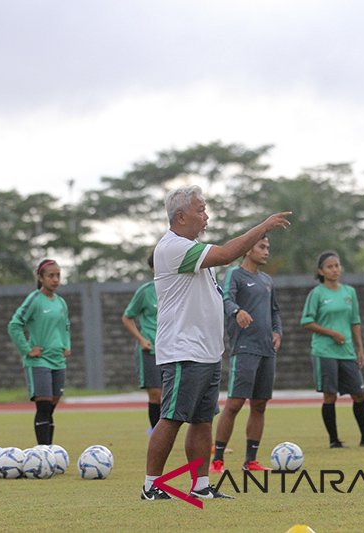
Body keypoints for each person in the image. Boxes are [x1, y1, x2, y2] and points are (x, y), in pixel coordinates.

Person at [141, 185, 291, 501]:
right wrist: (263, 226)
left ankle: (200, 486)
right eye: (201, 209)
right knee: (172, 417)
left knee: (201, 419)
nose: (206, 215)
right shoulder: (172, 247)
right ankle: (151, 485)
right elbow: (226, 253)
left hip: (206, 351)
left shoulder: (191, 248)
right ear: (180, 216)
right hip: (185, 349)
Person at [210, 235, 282, 473]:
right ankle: (218, 460)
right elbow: (225, 298)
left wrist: (277, 331)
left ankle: (250, 461)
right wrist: (237, 310)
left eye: (268, 247)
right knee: (235, 403)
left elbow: (275, 311)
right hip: (245, 349)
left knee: (259, 405)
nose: (266, 251)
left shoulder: (267, 280)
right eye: (262, 247)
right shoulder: (235, 274)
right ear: (248, 250)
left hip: (266, 350)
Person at [300, 251, 364, 449]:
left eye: (337, 265)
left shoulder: (349, 292)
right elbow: (306, 321)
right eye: (330, 267)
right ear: (321, 271)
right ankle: (334, 441)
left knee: (359, 394)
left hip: (346, 351)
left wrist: (360, 349)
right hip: (324, 351)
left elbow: (355, 321)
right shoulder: (317, 294)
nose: (334, 269)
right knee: (330, 395)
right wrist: (331, 333)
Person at [8, 259, 71, 445]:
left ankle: (48, 451)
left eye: (58, 275)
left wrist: (66, 345)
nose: (55, 279)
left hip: (58, 361)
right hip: (39, 362)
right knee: (43, 407)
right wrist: (27, 350)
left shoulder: (61, 302)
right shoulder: (34, 300)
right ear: (40, 277)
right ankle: (43, 452)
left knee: (51, 407)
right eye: (51, 275)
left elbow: (66, 326)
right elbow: (14, 325)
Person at [121, 250, 162, 432]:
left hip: (173, 350)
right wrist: (141, 339)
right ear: (153, 268)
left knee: (173, 396)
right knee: (156, 395)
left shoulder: (177, 290)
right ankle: (156, 434)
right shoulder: (145, 292)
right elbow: (127, 317)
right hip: (150, 351)